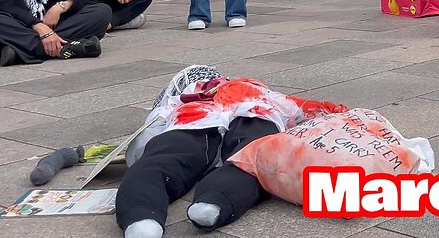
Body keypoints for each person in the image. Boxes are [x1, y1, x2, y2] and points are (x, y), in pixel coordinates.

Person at [117, 66, 348, 238]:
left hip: (196, 119)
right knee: (251, 161)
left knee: (162, 160)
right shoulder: (255, 87)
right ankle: (215, 202)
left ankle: (141, 216)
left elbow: (148, 135)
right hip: (256, 114)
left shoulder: (187, 95)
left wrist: (141, 152)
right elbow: (307, 108)